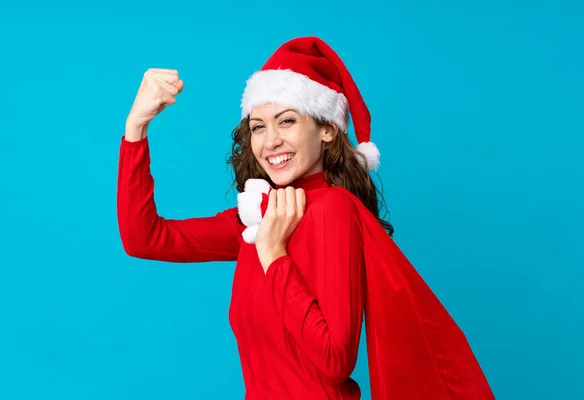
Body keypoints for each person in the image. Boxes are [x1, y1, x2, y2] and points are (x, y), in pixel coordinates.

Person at [117, 36, 495, 399]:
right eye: (258, 127)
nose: (270, 142)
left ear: (327, 129)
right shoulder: (258, 217)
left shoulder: (333, 210)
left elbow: (335, 362)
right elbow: (144, 239)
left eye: (286, 121)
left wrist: (273, 253)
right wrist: (136, 128)